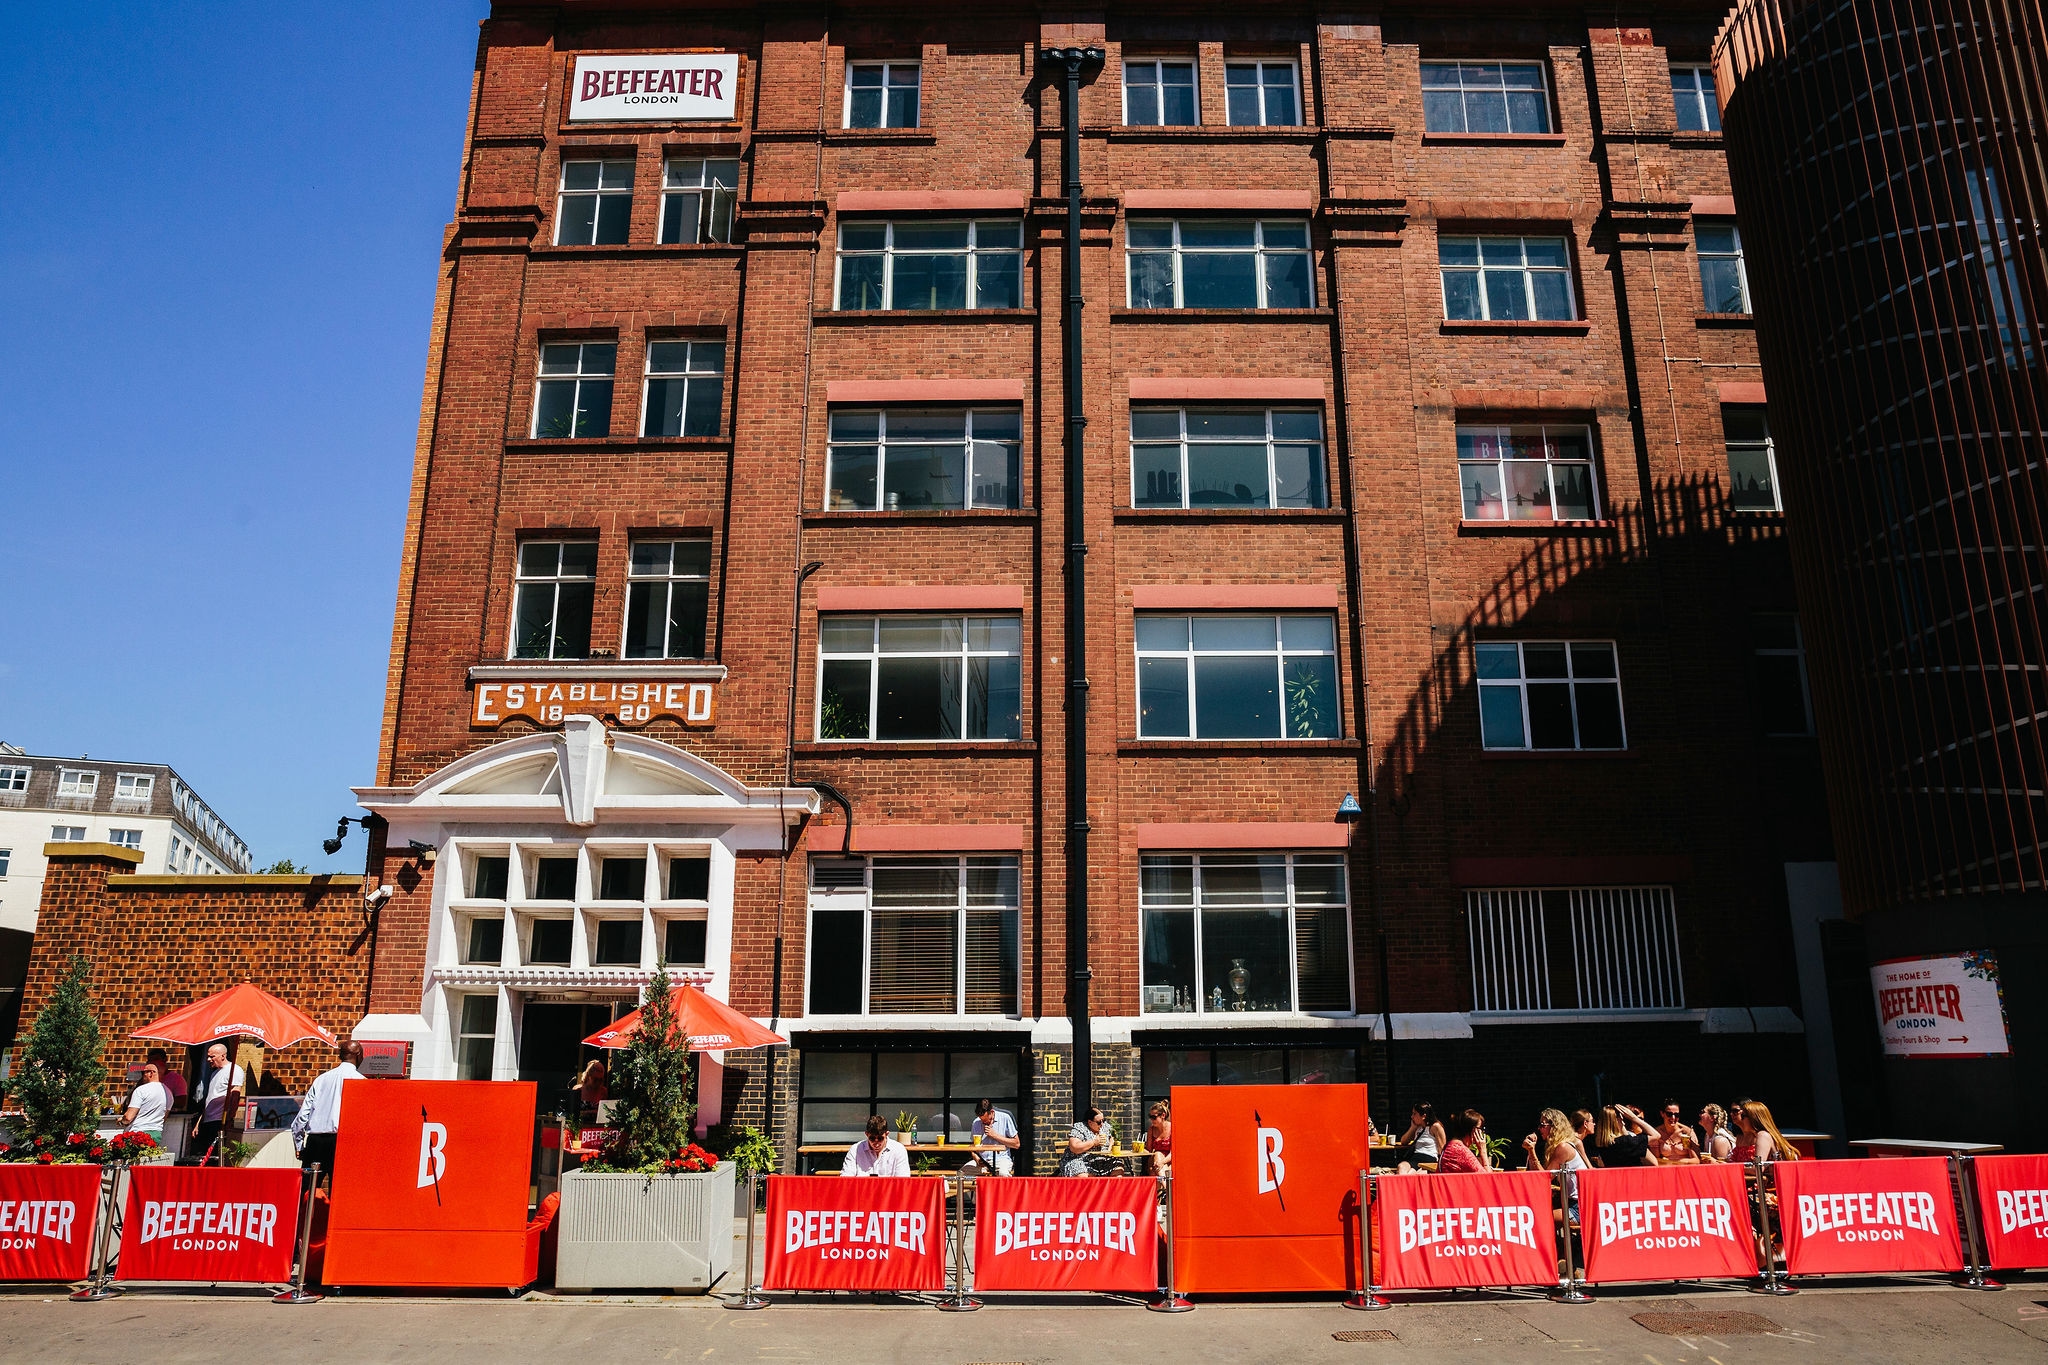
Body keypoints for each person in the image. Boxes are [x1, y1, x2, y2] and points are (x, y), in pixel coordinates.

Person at [291, 1040, 364, 1183]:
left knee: (307, 1188)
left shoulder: (321, 1079)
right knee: (338, 1190)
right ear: (358, 1054)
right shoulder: (361, 1081)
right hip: (342, 1142)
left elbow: (302, 1115)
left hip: (315, 1141)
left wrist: (299, 1144)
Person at [1522, 1108, 1588, 1229]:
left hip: (1579, 1207)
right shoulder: (1560, 1146)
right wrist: (1530, 1151)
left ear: (1554, 1126)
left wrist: (1532, 1151)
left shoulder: (1563, 1147)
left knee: (1538, 1221)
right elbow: (1538, 1175)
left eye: (1543, 1125)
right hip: (1573, 1203)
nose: (1539, 1128)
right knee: (1538, 1218)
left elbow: (1544, 1178)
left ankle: (1557, 1248)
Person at [192, 1043, 245, 1160]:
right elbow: (210, 1099)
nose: (208, 1059)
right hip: (208, 1119)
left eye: (212, 1056)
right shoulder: (215, 1073)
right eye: (208, 1056)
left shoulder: (234, 1070)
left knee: (215, 1155)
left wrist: (229, 1118)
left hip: (220, 1120)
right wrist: (199, 1123)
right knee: (205, 1154)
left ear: (223, 1056)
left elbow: (235, 1094)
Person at [1730, 1099, 1799, 1167]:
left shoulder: (1763, 1135)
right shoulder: (1753, 1136)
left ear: (1753, 1118)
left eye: (1743, 1116)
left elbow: (1758, 1168)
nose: (1741, 1120)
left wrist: (1731, 1167)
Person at [841, 1114, 910, 1177]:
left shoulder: (898, 1150)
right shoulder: (855, 1150)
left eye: (880, 1138)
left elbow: (902, 1180)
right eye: (872, 1138)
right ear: (866, 1134)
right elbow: (846, 1178)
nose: (876, 1143)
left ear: (887, 1134)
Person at [121, 1063, 170, 1142]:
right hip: (156, 1134)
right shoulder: (168, 1093)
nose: (142, 1075)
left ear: (151, 1073)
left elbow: (128, 1117)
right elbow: (164, 1118)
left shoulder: (141, 1090)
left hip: (138, 1133)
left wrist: (121, 1121)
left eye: (144, 1072)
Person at [1062, 1107, 1113, 1177]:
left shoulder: (1105, 1126)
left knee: (1118, 1169)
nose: (1102, 1124)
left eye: (1103, 1120)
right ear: (1090, 1122)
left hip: (1102, 1160)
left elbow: (1112, 1137)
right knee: (1083, 1175)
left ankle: (1113, 1188)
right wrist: (1093, 1142)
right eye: (1098, 1122)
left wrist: (1110, 1146)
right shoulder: (1080, 1127)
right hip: (1081, 1160)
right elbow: (1074, 1147)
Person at [1653, 1100, 1701, 1164]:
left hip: (1684, 1169)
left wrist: (1678, 1162)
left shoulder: (1685, 1133)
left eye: (1676, 1115)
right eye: (1669, 1114)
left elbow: (1696, 1160)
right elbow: (1654, 1160)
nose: (1673, 1118)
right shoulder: (1657, 1133)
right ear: (1662, 1114)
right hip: (1666, 1170)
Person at [145, 1047, 189, 1112]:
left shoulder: (176, 1079)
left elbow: (181, 1102)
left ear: (165, 1060)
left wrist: (158, 1102)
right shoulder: (147, 1078)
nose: (153, 1062)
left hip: (168, 1116)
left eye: (156, 1059)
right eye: (150, 1060)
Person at [1144, 1101, 1174, 1177]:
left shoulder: (1172, 1128)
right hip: (1155, 1160)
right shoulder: (1151, 1129)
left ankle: (1164, 1188)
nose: (1151, 1120)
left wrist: (1162, 1162)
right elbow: (1149, 1150)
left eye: (1154, 1117)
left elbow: (1174, 1152)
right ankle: (1167, 1188)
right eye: (1150, 1117)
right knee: (1157, 1154)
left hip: (1170, 1159)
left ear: (1163, 1115)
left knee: (1158, 1168)